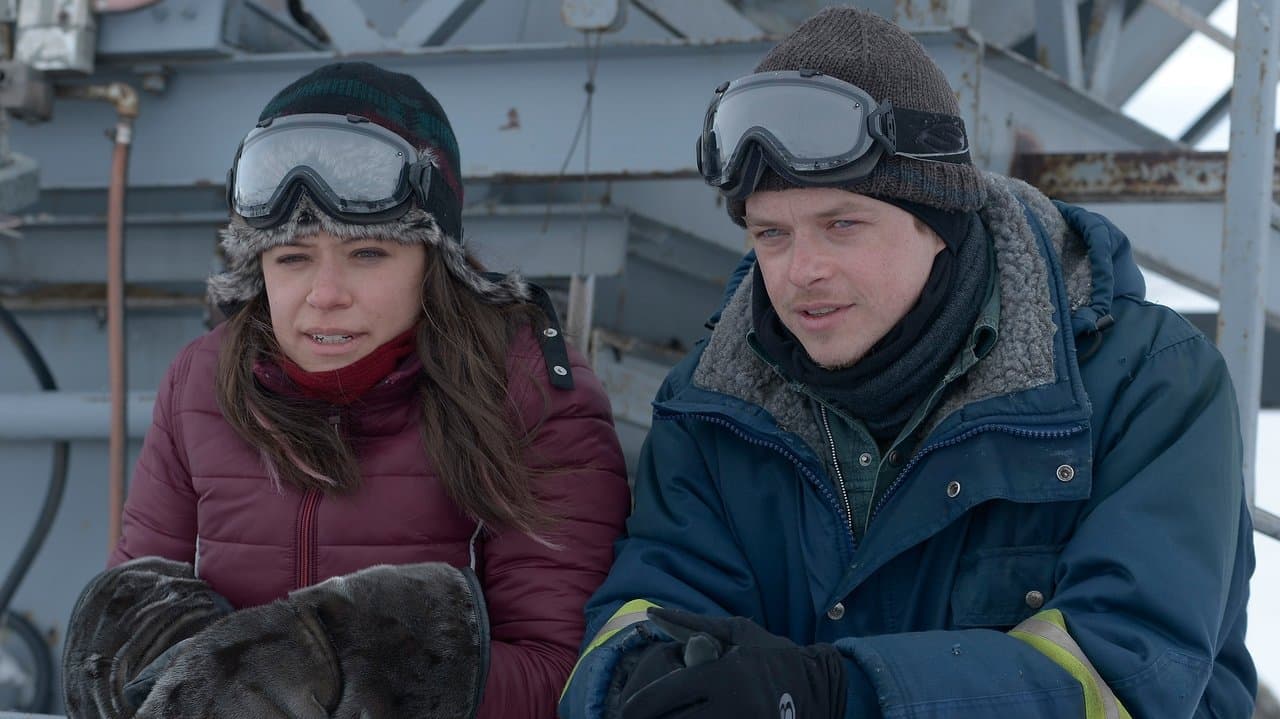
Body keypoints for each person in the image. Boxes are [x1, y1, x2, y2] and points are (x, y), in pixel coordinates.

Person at [558, 7, 1255, 719]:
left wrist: (843, 694)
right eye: (771, 233)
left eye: (842, 225)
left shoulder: (1147, 384)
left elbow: (1127, 676)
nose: (801, 271)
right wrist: (636, 679)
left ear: (939, 221)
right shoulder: (713, 408)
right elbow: (642, 607)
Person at [60, 61, 630, 719]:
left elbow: (566, 672)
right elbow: (135, 606)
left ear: (432, 261)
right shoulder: (200, 387)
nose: (325, 296)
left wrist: (346, 675)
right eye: (293, 258)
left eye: (367, 254)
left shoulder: (525, 393)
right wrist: (140, 663)